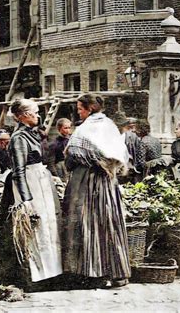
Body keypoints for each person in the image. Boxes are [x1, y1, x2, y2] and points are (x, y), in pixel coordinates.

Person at [63, 94, 131, 288]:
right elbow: (118, 155)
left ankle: (95, 273)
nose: (79, 112)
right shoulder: (110, 125)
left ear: (90, 108)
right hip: (108, 183)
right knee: (109, 221)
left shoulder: (84, 129)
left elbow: (73, 156)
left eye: (80, 109)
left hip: (88, 182)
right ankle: (117, 272)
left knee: (89, 222)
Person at [9, 99, 62, 283]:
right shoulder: (18, 138)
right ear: (23, 116)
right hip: (31, 184)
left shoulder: (32, 134)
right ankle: (38, 274)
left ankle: (52, 271)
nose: (38, 116)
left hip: (41, 181)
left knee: (48, 224)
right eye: (35, 112)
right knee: (37, 227)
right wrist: (26, 201)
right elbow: (19, 171)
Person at [47, 118, 72, 182]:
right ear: (59, 128)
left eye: (69, 128)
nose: (68, 130)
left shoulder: (72, 141)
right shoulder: (54, 144)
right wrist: (56, 176)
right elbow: (51, 163)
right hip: (61, 170)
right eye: (65, 128)